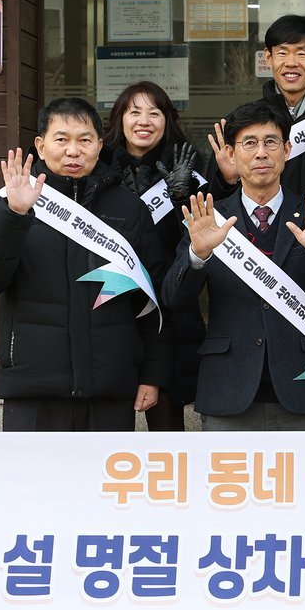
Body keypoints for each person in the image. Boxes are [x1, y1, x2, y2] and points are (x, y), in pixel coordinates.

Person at [0, 97, 169, 610]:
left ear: (101, 145)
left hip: (108, 389)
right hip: (36, 388)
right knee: (33, 527)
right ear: (40, 145)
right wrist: (14, 214)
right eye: (61, 140)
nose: (73, 151)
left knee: (101, 526)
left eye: (84, 140)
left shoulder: (126, 208)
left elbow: (154, 300)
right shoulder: (14, 199)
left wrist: (151, 372)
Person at [163, 98, 305, 610]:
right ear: (231, 153)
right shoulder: (209, 214)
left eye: (271, 142)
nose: (260, 153)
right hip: (231, 390)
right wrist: (198, 253)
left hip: (304, 386)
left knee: (303, 527)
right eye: (248, 143)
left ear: (287, 149)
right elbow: (173, 298)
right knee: (232, 528)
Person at [103, 81, 207, 431]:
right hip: (112, 303)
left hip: (167, 307)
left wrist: (180, 199)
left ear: (167, 120)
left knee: (166, 424)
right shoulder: (98, 166)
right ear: (120, 118)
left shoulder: (187, 166)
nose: (144, 121)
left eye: (154, 112)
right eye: (134, 112)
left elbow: (200, 241)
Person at [209, 13, 305, 217]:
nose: (291, 63)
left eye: (301, 54)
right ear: (269, 58)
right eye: (282, 53)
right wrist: (227, 181)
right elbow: (212, 210)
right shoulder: (243, 122)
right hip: (258, 235)